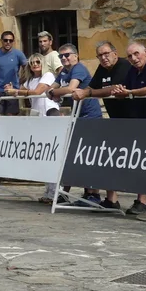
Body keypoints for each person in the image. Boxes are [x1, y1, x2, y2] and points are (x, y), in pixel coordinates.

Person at [75, 41, 131, 210]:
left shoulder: (124, 65)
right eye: (100, 55)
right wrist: (83, 92)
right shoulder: (102, 68)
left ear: (115, 53)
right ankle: (112, 200)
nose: (104, 58)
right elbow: (92, 86)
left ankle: (141, 201)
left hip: (133, 120)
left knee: (137, 161)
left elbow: (114, 88)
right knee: (110, 159)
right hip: (115, 121)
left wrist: (88, 93)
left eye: (106, 54)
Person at [48, 43, 102, 206]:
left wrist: (54, 93)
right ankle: (65, 193)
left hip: (90, 116)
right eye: (61, 56)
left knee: (88, 156)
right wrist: (54, 91)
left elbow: (70, 89)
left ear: (76, 56)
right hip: (77, 116)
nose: (64, 58)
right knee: (73, 155)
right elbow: (51, 89)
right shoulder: (64, 71)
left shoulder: (79, 69)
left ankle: (93, 195)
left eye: (67, 55)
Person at [6, 54, 61, 204]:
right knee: (45, 157)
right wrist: (11, 90)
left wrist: (17, 91)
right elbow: (20, 92)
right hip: (39, 119)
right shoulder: (30, 80)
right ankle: (49, 192)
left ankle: (56, 192)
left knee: (53, 156)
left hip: (50, 116)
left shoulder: (48, 76)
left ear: (43, 63)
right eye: (32, 63)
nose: (35, 64)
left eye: (38, 62)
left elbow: (37, 92)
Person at [112, 41, 146, 217]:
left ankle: (142, 200)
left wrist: (130, 92)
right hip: (139, 121)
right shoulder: (132, 71)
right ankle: (142, 200)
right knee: (142, 162)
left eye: (136, 54)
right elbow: (125, 90)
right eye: (130, 56)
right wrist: (120, 91)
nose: (133, 58)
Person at [0, 30, 28, 115]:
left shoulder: (18, 54)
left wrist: (20, 81)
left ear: (13, 41)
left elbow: (27, 69)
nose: (8, 42)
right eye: (5, 40)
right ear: (1, 41)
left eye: (10, 40)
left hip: (13, 91)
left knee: (11, 117)